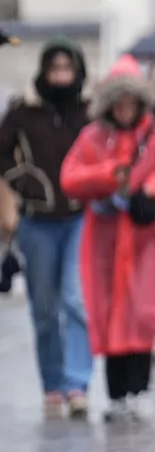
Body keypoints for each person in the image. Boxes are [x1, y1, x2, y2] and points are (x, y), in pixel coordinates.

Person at [60, 57, 155, 419]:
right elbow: (70, 178)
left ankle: (139, 390)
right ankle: (116, 395)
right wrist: (109, 174)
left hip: (146, 239)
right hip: (106, 241)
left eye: (130, 102)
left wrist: (152, 188)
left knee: (142, 313)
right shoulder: (93, 137)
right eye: (117, 103)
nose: (124, 110)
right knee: (108, 314)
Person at [0, 39, 93, 413]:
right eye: (54, 69)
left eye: (66, 69)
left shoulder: (87, 111)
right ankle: (52, 382)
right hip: (38, 221)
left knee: (75, 299)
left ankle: (77, 383)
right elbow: (2, 152)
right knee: (44, 307)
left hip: (78, 217)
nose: (60, 77)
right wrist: (24, 181)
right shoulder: (24, 111)